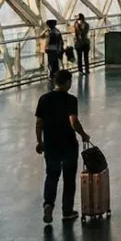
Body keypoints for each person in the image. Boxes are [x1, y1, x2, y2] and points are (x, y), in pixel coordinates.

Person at [35, 69, 89, 223]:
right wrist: (83, 134)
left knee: (52, 175)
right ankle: (67, 211)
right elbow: (73, 122)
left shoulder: (44, 99)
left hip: (50, 144)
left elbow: (39, 123)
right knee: (69, 178)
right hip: (68, 144)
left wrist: (39, 141)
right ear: (67, 83)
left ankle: (48, 204)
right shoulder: (71, 99)